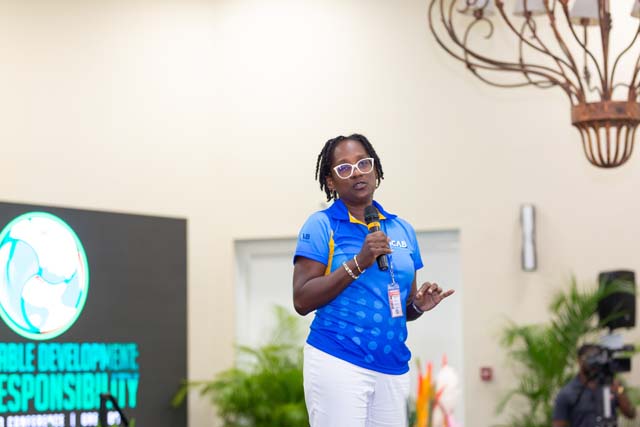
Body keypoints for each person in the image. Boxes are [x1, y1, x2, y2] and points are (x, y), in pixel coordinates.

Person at [292, 133, 454, 427]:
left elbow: (402, 307)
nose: (357, 173)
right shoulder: (321, 225)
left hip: (392, 366)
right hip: (338, 359)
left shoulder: (402, 229)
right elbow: (302, 300)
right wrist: (359, 262)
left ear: (376, 170)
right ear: (331, 181)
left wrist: (418, 306)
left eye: (363, 164)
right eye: (344, 168)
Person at [553, 344, 636, 427]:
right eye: (591, 358)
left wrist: (619, 391)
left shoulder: (611, 386)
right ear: (579, 361)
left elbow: (631, 414)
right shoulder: (568, 393)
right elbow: (559, 424)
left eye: (598, 358)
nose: (595, 363)